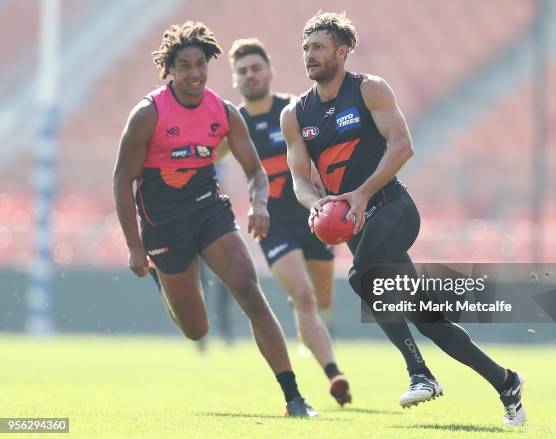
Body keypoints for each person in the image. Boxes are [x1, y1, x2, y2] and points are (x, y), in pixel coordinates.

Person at [281, 11, 526, 426]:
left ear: (343, 51)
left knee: (362, 277)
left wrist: (360, 193)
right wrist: (316, 206)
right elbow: (300, 181)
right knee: (432, 321)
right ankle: (507, 382)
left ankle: (420, 373)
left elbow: (403, 146)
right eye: (306, 48)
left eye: (318, 47)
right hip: (356, 227)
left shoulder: (370, 89)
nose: (310, 55)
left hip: (394, 210)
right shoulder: (295, 114)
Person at [113, 21, 316, 417]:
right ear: (170, 70)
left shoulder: (222, 112)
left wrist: (260, 205)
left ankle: (294, 397)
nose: (194, 73)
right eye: (184, 65)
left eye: (200, 64)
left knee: (251, 292)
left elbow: (256, 172)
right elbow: (122, 181)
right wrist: (135, 247)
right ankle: (163, 277)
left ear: (209, 65)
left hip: (210, 213)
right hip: (162, 226)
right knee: (196, 330)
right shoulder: (147, 115)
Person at [228, 38, 350, 406]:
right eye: (243, 71)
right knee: (304, 296)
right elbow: (208, 154)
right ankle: (335, 374)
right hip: (273, 226)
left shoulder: (294, 111)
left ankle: (309, 334)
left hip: (314, 218)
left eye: (256, 68)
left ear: (269, 72)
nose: (250, 76)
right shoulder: (234, 122)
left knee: (321, 299)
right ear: (236, 79)